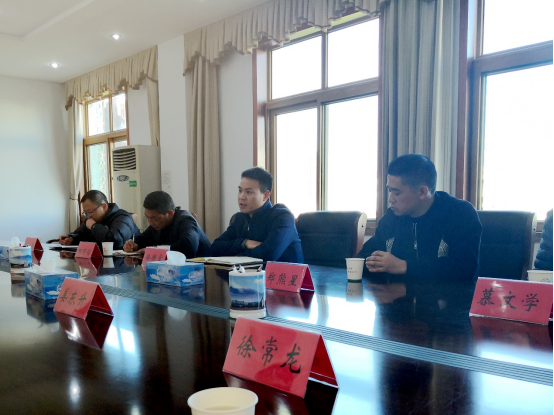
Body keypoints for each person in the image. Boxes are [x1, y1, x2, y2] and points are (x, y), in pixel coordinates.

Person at [357, 154, 482, 281]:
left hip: (448, 293)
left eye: (397, 193)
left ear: (422, 192)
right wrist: (375, 263)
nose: (390, 199)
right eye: (390, 191)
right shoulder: (392, 217)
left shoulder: (460, 213)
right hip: (396, 293)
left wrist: (405, 266)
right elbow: (362, 258)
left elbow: (465, 269)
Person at [212, 167, 304, 263]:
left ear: (265, 195)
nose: (241, 197)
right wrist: (244, 243)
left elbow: (268, 255)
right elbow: (215, 248)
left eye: (248, 192)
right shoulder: (240, 218)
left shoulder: (282, 217)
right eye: (240, 190)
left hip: (283, 272)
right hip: (248, 272)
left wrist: (236, 253)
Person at [123, 191, 212, 258]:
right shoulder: (157, 224)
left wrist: (156, 250)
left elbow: (189, 246)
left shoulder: (186, 220)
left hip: (203, 271)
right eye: (147, 217)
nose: (150, 222)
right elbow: (143, 239)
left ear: (170, 213)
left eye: (155, 218)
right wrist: (133, 244)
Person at [59, 190, 140, 250]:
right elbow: (81, 233)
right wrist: (71, 238)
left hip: (127, 263)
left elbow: (116, 242)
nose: (88, 216)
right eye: (86, 213)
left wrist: (94, 227)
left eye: (90, 212)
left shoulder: (123, 217)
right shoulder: (93, 218)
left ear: (104, 207)